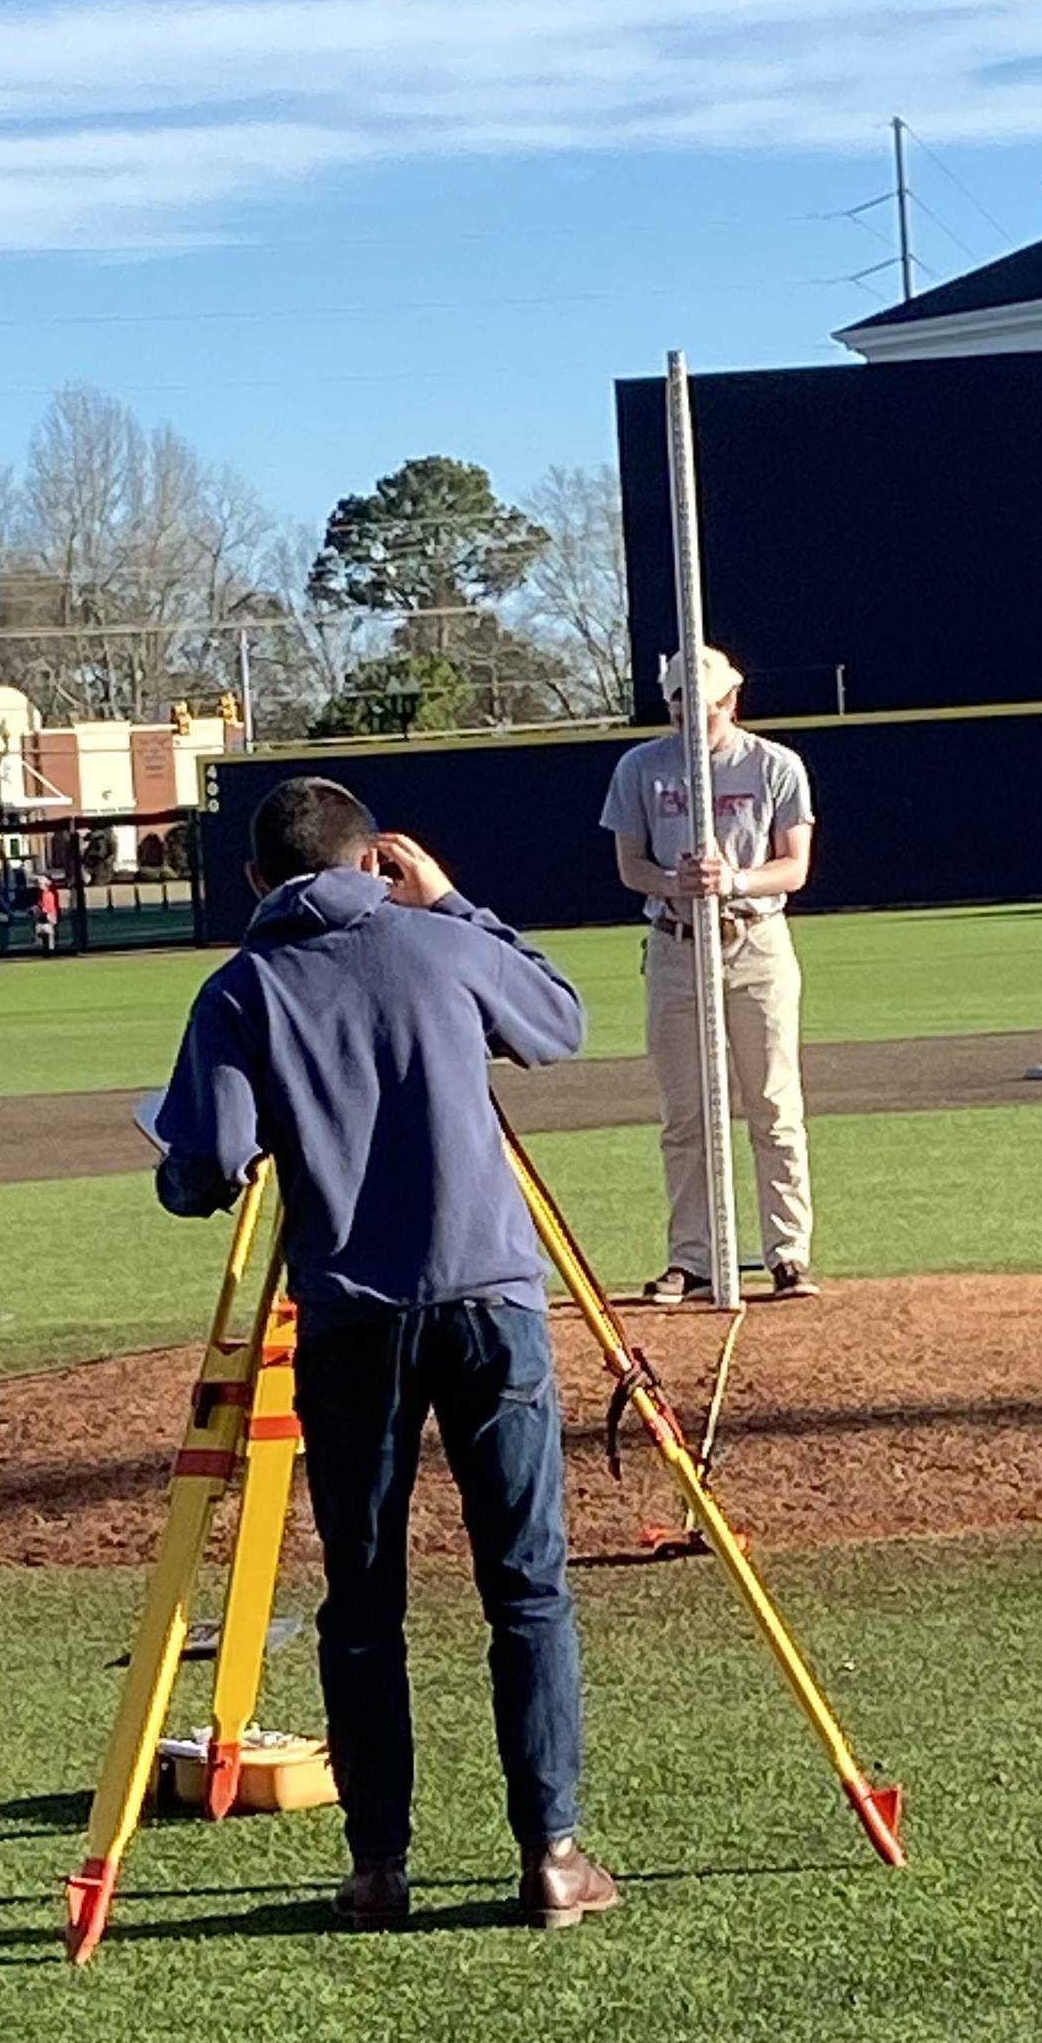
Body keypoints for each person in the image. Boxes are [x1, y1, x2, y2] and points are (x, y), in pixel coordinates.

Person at [151, 775, 618, 1934]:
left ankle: (377, 1866)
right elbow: (558, 1022)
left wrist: (192, 1162)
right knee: (528, 1585)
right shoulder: (442, 946)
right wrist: (455, 903)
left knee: (364, 1601)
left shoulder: (240, 989)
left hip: (352, 1320)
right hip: (489, 1305)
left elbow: (203, 1167)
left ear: (257, 881)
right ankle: (552, 1855)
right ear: (374, 863)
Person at [599, 644, 820, 1305]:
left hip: (754, 941)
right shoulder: (640, 768)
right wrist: (676, 883)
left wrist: (736, 880)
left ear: (731, 700)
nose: (689, 718)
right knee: (685, 1113)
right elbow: (629, 865)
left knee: (773, 1105)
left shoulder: (775, 766)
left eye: (702, 705)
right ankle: (690, 1257)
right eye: (676, 705)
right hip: (674, 945)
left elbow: (795, 866)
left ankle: (788, 1253)